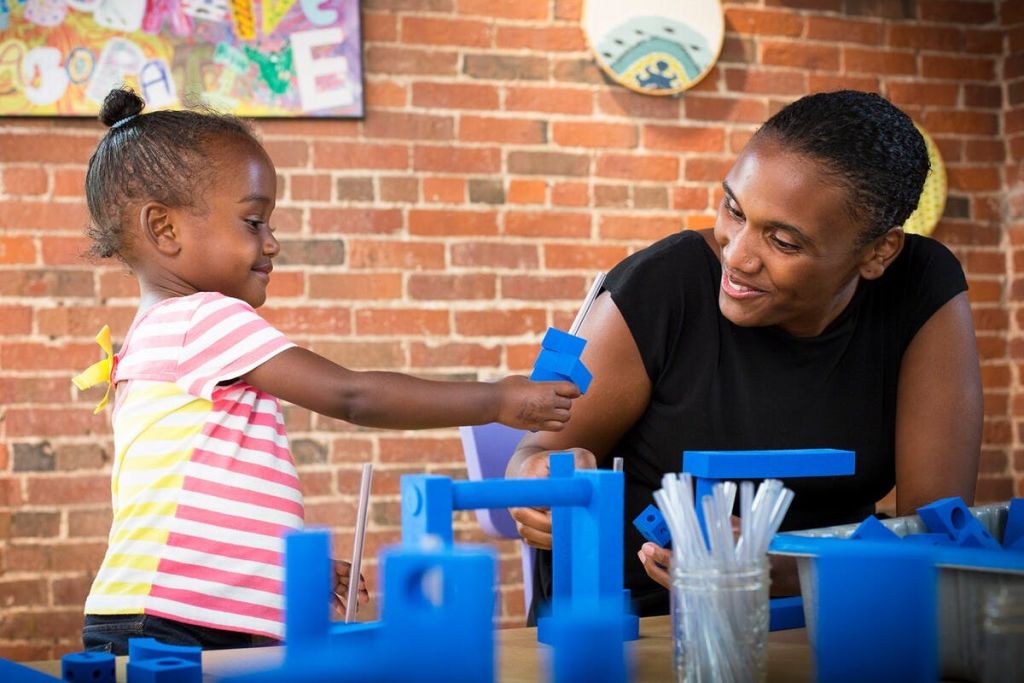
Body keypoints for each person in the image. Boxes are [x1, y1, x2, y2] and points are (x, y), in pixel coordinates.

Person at [74, 87, 581, 654]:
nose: (272, 242)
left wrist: (280, 569)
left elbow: (190, 502)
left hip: (155, 611)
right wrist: (497, 401)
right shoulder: (205, 317)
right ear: (164, 230)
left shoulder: (156, 334)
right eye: (252, 221)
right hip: (175, 623)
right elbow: (353, 395)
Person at [506, 90, 982, 620]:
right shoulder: (658, 287)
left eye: (783, 241)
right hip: (634, 623)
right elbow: (535, 453)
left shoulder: (921, 285)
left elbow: (939, 530)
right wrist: (537, 483)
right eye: (734, 209)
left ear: (878, 252)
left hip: (828, 618)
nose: (737, 256)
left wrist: (784, 567)